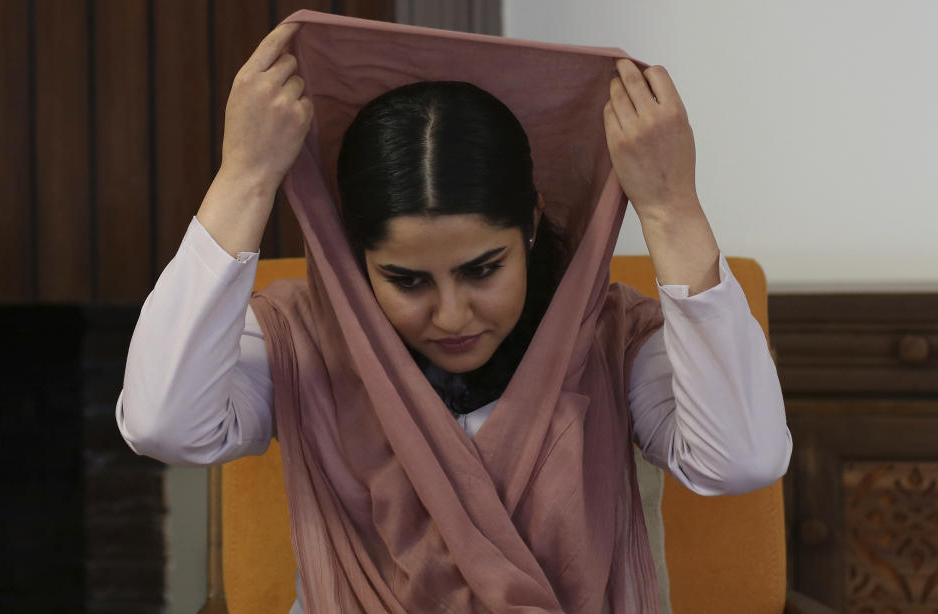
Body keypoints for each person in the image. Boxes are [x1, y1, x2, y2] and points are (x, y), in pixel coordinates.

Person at [117, 22, 791, 612]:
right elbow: (165, 426)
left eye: (482, 270)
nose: (450, 315)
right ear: (357, 257)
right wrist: (245, 179)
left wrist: (672, 206)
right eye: (407, 280)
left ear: (530, 222)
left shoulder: (611, 336)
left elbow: (740, 460)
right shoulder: (301, 338)